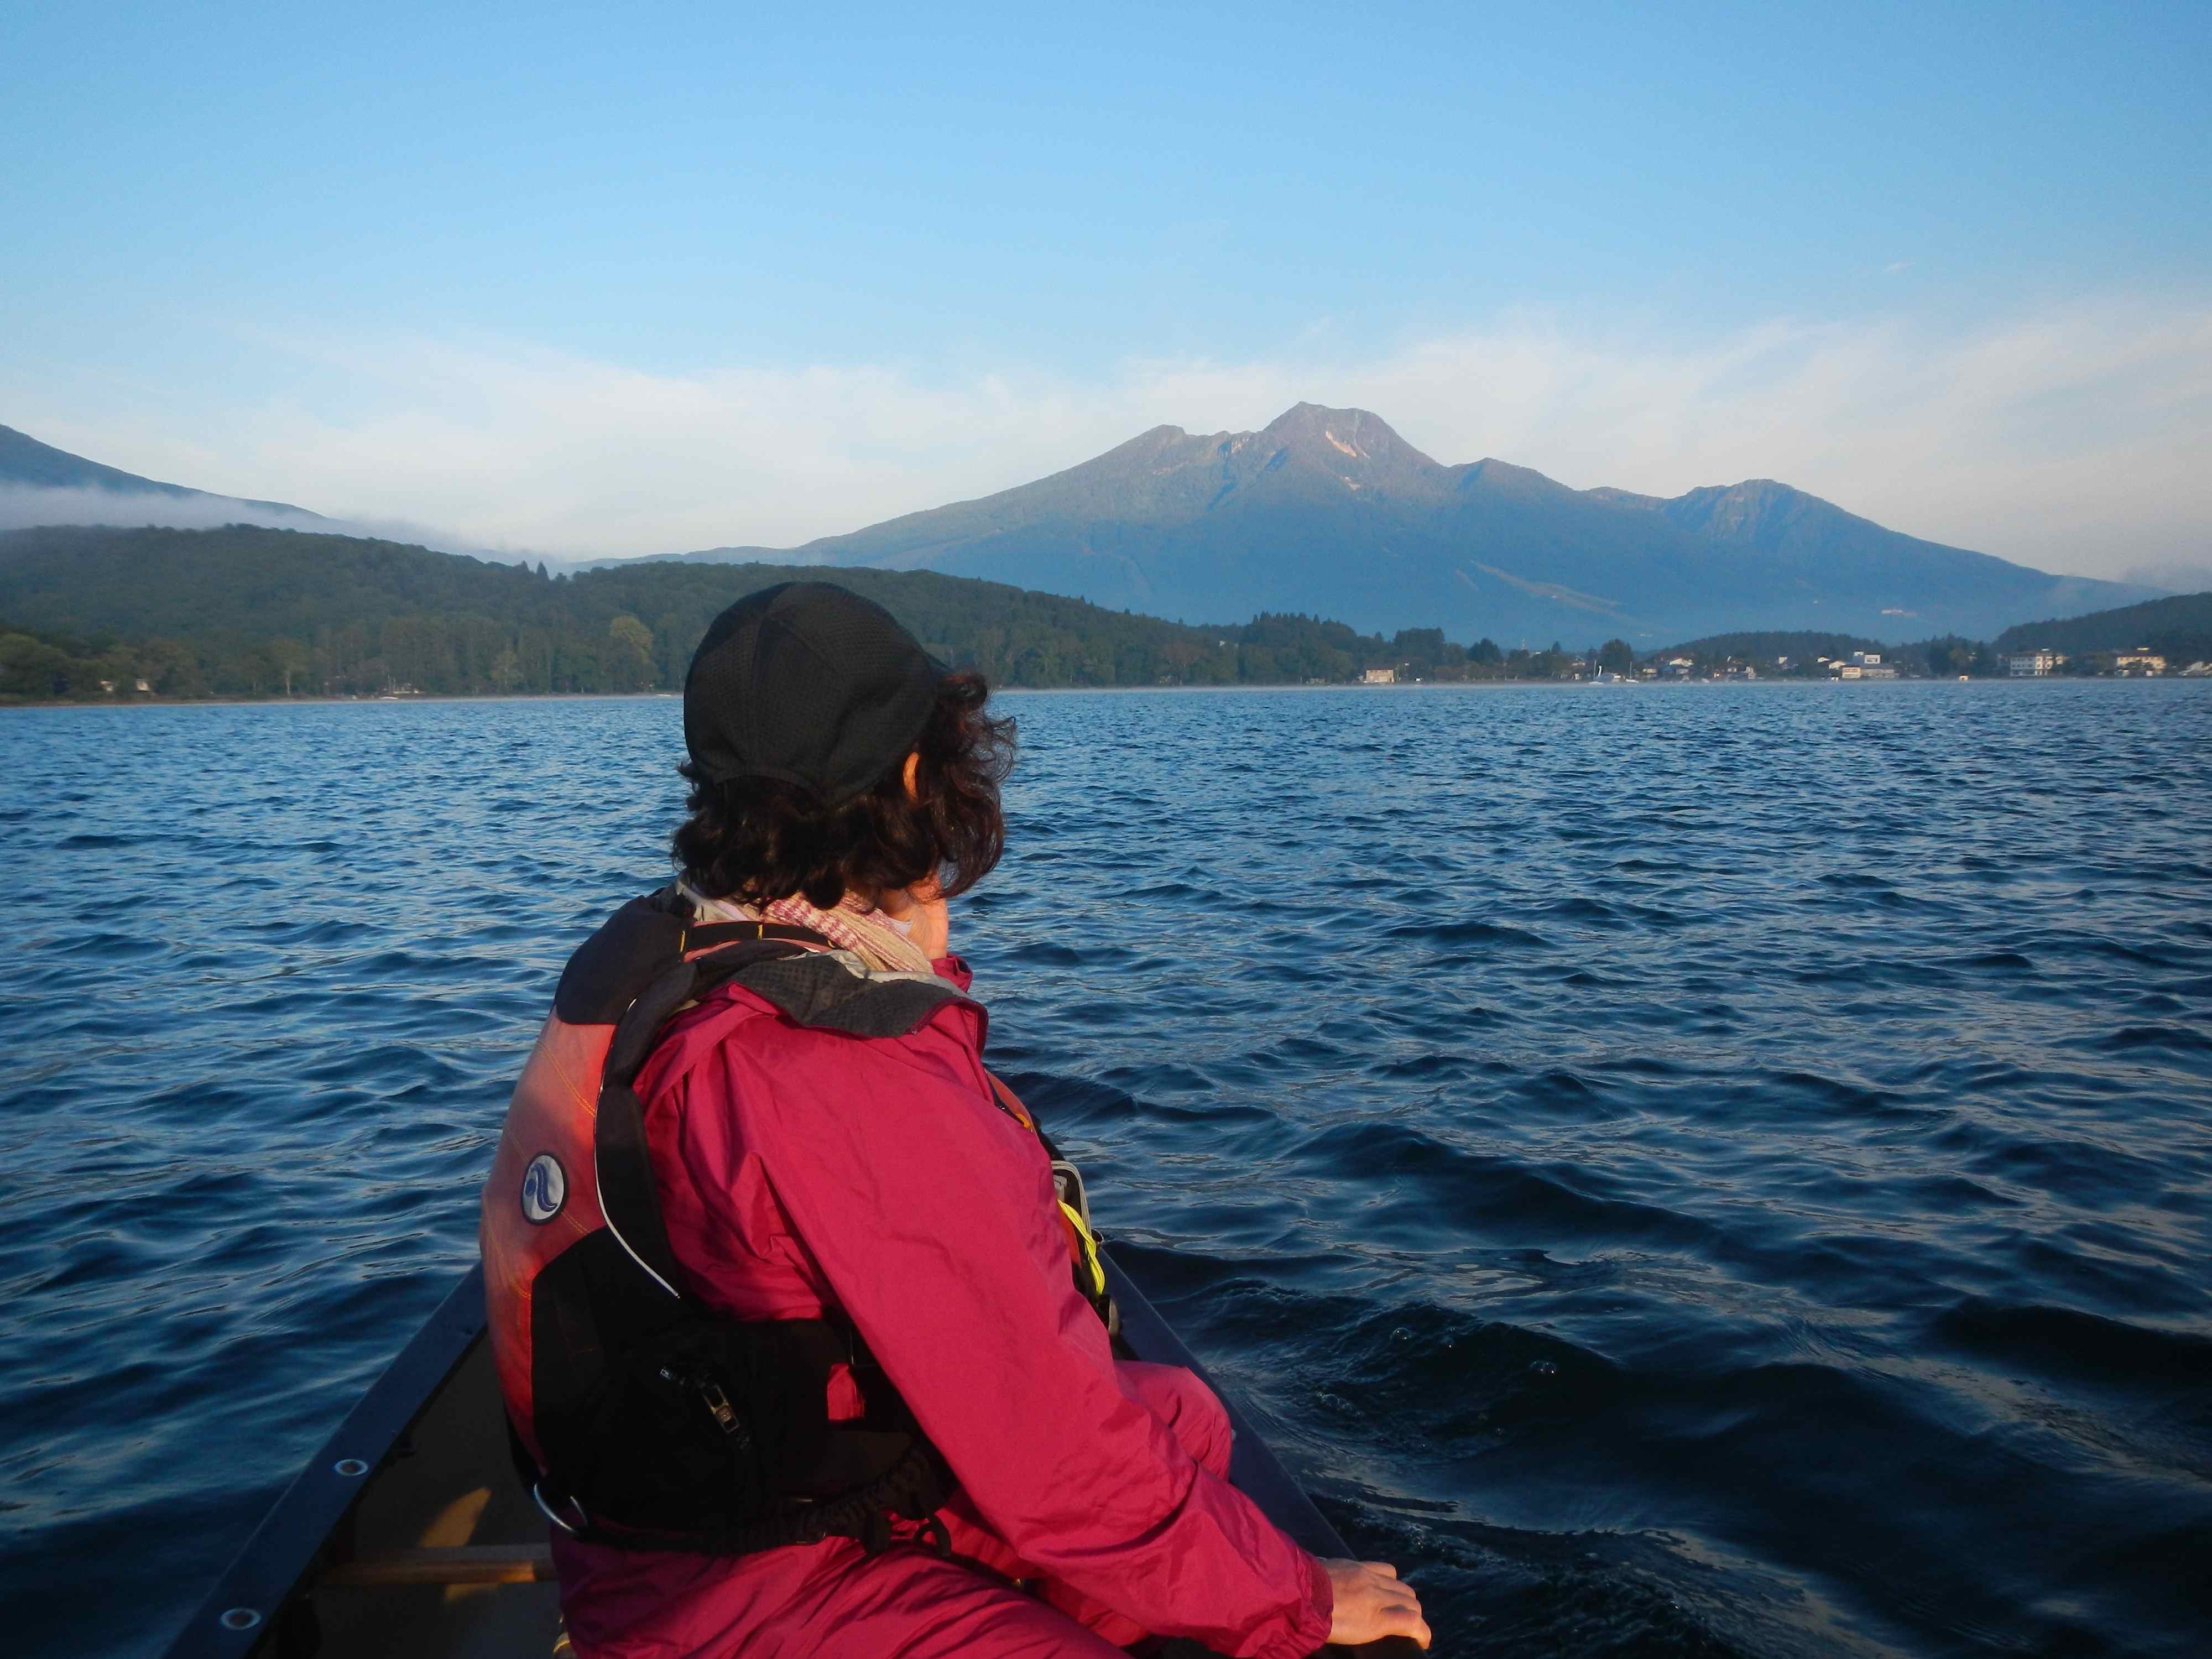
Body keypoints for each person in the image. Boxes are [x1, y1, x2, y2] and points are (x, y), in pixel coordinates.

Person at [486, 582, 1430, 1658]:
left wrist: (915, 958)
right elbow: (1053, 1456)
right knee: (1136, 1474)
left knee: (1180, 1416)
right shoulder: (833, 1064)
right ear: (909, 777)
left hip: (723, 1505)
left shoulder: (683, 952)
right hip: (736, 1589)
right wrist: (1299, 1601)